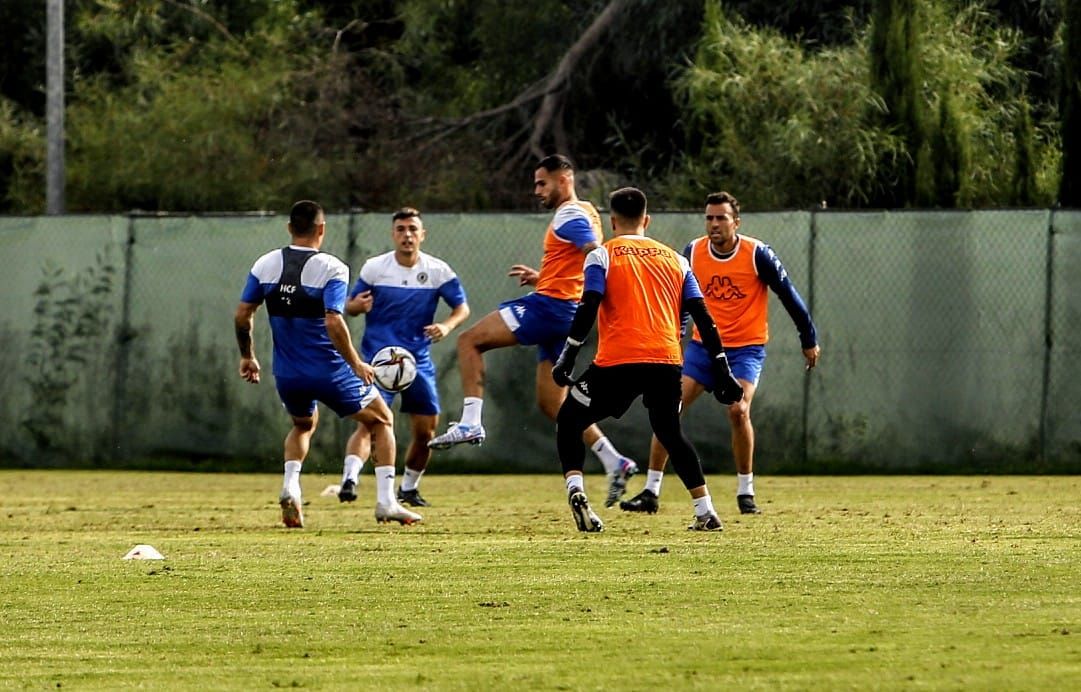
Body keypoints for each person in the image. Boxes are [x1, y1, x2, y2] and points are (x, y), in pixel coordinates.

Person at [428, 154, 638, 507]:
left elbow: (593, 251)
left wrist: (609, 292)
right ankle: (614, 460)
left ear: (563, 179)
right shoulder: (586, 209)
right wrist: (544, 277)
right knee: (551, 402)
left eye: (542, 183)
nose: (537, 190)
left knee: (469, 341)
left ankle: (470, 422)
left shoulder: (570, 214)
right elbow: (576, 263)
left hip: (551, 308)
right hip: (565, 309)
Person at [551, 187, 745, 532]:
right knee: (670, 432)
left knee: (569, 418)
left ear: (612, 222)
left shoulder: (602, 255)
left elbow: (589, 304)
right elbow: (704, 318)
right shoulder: (677, 260)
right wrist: (725, 372)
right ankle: (706, 511)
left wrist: (568, 355)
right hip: (667, 362)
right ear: (647, 220)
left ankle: (577, 490)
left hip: (617, 362)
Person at [620, 191, 820, 516]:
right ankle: (651, 491)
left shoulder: (757, 254)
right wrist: (676, 330)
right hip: (703, 350)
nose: (714, 224)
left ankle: (745, 492)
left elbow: (789, 294)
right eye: (709, 218)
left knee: (738, 410)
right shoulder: (694, 252)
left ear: (736, 222)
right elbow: (681, 297)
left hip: (745, 350)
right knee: (667, 409)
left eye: (721, 218)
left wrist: (808, 338)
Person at [234, 200, 421, 528]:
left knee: (303, 425)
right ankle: (386, 502)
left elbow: (242, 315)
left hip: (287, 374)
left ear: (289, 228)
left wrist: (247, 355)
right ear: (322, 229)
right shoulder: (333, 267)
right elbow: (334, 321)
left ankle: (291, 485)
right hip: (330, 370)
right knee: (382, 420)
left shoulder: (265, 264)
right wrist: (357, 363)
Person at [337, 207, 470, 508]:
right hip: (377, 360)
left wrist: (446, 326)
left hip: (416, 362)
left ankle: (408, 488)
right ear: (393, 234)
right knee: (369, 423)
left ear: (422, 234)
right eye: (401, 229)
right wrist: (356, 305)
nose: (407, 235)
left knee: (427, 431)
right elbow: (350, 306)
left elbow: (462, 308)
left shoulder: (438, 271)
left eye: (412, 229)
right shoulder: (375, 268)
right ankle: (350, 479)